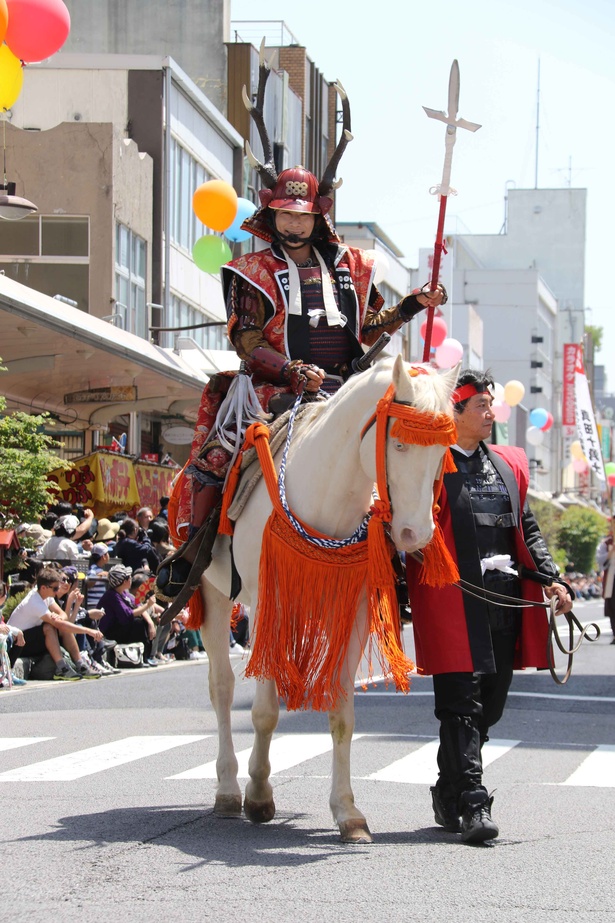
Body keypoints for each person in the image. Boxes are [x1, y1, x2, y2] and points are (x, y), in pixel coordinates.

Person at [158, 110, 445, 603]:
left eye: (303, 214)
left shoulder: (350, 267)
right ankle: (191, 556)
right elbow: (245, 337)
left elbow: (368, 328)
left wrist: (414, 304)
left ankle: (393, 567)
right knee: (216, 458)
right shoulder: (252, 269)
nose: (294, 222)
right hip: (274, 391)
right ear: (272, 214)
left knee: (393, 452)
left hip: (343, 389)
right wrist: (290, 370)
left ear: (318, 216)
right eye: (286, 214)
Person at [405, 368, 573, 844]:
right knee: (460, 705)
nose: (490, 413)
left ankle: (447, 787)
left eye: (491, 404)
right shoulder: (430, 465)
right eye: (481, 405)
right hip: (454, 603)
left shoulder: (510, 463)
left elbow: (529, 528)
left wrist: (553, 580)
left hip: (504, 601)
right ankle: (474, 805)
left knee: (489, 708)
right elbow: (410, 528)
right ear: (453, 413)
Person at [7, 566, 104, 680]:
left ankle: (80, 664)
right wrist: (89, 631)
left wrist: (58, 618)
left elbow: (63, 615)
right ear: (43, 587)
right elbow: (60, 623)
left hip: (28, 640)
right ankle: (61, 668)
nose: (57, 591)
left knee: (59, 625)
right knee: (49, 627)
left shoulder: (46, 596)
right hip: (16, 644)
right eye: (55, 588)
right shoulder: (34, 602)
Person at [98, 564, 158, 664]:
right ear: (124, 581)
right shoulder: (112, 596)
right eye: (129, 577)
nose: (131, 578)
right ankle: (143, 657)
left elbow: (138, 606)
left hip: (121, 628)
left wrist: (150, 623)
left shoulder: (124, 593)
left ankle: (147, 655)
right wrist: (148, 605)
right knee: (138, 623)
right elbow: (129, 615)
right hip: (109, 632)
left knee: (145, 622)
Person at [596, 528, 615, 641]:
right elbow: (600, 560)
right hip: (612, 579)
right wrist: (611, 552)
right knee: (612, 606)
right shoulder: (606, 544)